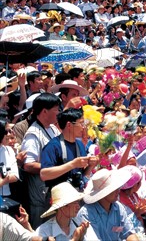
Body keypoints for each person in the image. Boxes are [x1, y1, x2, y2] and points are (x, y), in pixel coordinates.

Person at [22, 93, 62, 229]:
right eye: (56, 109)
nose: (59, 112)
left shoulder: (52, 128)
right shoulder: (33, 133)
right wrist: (54, 168)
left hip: (53, 190)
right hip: (41, 195)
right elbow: (28, 164)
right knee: (42, 229)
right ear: (45, 111)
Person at [40, 108, 97, 192]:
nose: (83, 127)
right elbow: (44, 174)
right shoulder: (53, 146)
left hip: (77, 194)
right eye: (81, 123)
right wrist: (73, 164)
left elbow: (81, 175)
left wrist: (91, 165)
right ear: (69, 125)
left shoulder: (80, 144)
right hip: (59, 197)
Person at [77, 168, 140, 241]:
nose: (118, 191)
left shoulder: (118, 207)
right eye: (113, 189)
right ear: (103, 193)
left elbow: (129, 233)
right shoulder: (86, 213)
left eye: (117, 188)